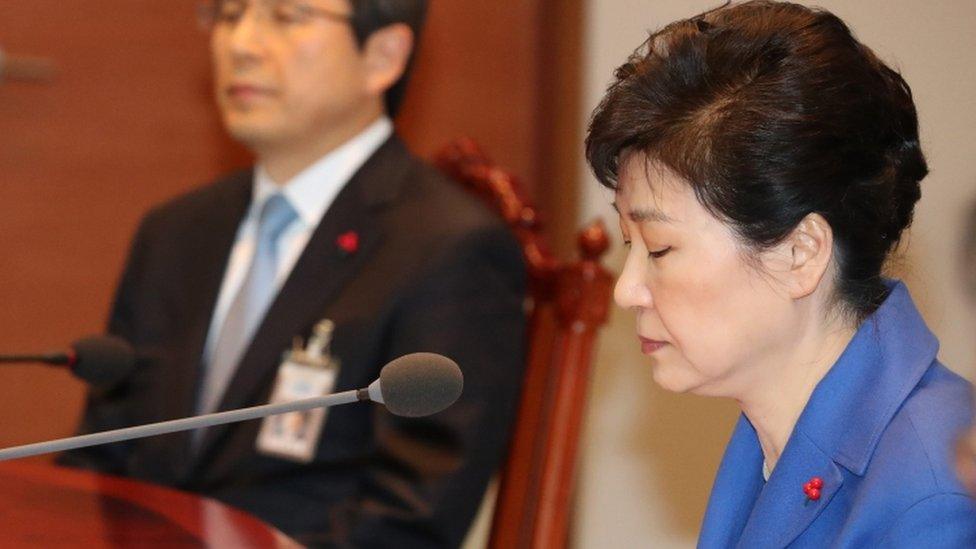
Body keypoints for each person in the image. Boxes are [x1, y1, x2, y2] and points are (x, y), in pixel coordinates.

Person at [59, 0, 526, 546]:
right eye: (230, 15)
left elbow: (408, 520)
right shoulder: (175, 232)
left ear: (383, 55)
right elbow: (100, 458)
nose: (242, 45)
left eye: (287, 17)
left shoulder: (450, 248)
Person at [585, 1, 976, 546]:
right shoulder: (770, 424)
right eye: (630, 244)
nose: (626, 291)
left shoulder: (936, 500)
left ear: (800, 253)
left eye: (660, 248)